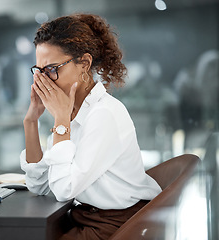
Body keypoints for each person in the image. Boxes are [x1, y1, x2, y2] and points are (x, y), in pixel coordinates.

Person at [20, 13, 162, 239]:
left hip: (116, 225)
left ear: (84, 64)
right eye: (39, 71)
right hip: (87, 217)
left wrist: (61, 122)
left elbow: (64, 189)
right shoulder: (73, 113)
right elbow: (40, 185)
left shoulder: (103, 114)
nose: (44, 80)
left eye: (51, 69)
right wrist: (31, 121)